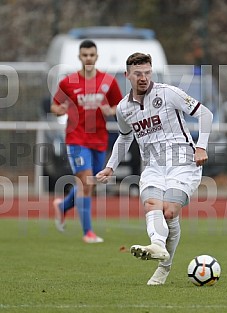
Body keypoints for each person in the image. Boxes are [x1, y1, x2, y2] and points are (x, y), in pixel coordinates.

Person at [96, 52, 213, 285]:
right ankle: (157, 246)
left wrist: (201, 147)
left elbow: (205, 113)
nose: (143, 77)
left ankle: (164, 267)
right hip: (153, 166)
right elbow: (124, 137)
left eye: (147, 73)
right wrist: (110, 167)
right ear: (127, 75)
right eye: (138, 73)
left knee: (169, 212)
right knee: (152, 204)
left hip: (183, 163)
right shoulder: (123, 108)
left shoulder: (168, 93)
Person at [50, 39, 123, 243]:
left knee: (90, 183)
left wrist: (111, 110)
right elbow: (54, 106)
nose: (88, 58)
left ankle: (62, 206)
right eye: (85, 55)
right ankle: (88, 232)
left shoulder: (108, 82)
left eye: (92, 55)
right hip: (76, 138)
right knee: (86, 182)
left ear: (96, 56)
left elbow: (121, 105)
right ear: (80, 57)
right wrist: (60, 110)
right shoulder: (69, 82)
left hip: (99, 139)